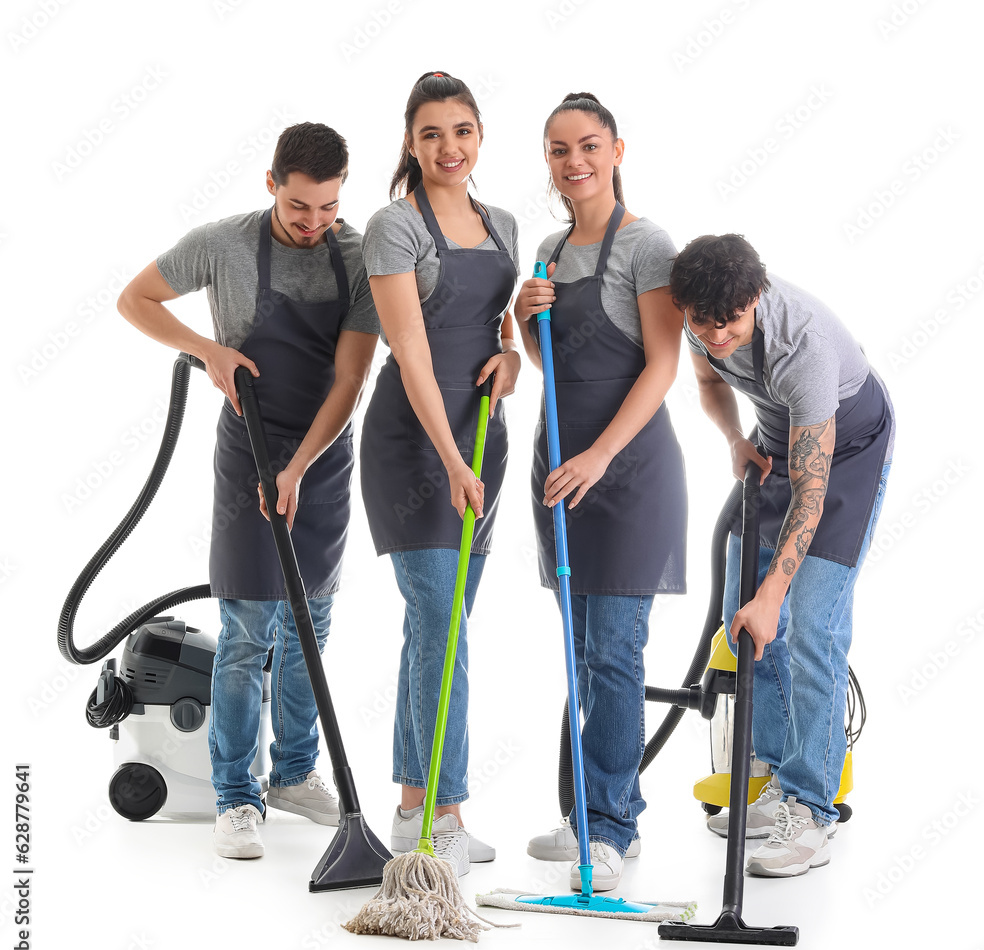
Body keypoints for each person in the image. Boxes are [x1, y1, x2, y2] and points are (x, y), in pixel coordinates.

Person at [117, 123, 380, 859]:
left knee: (311, 624)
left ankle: (294, 774)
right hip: (249, 453)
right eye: (300, 207)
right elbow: (135, 299)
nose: (314, 223)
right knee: (246, 630)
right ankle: (238, 796)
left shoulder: (357, 256)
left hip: (324, 456)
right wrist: (206, 351)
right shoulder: (224, 244)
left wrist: (300, 468)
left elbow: (353, 379)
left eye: (328, 207)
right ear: (271, 184)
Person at [670, 233, 894, 877]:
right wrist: (735, 437)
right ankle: (774, 781)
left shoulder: (805, 348)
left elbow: (812, 494)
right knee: (746, 623)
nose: (715, 336)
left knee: (810, 626)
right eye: (701, 323)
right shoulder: (705, 321)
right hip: (775, 439)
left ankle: (813, 808)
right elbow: (709, 381)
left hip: (844, 453)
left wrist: (775, 595)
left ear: (757, 299)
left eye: (730, 322)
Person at [515, 93, 687, 893]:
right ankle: (588, 814)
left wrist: (599, 457)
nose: (572, 161)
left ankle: (614, 828)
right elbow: (559, 370)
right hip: (562, 474)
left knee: (616, 655)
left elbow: (661, 365)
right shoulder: (548, 250)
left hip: (627, 477)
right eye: (557, 149)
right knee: (583, 660)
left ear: (618, 148)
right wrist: (524, 320)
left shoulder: (648, 245)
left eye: (587, 145)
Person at [359, 71, 520, 878]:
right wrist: (452, 460)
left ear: (480, 136)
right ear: (411, 145)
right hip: (416, 450)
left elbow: (497, 329)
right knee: (442, 627)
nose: (447, 147)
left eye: (461, 131)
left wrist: (511, 357)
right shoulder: (393, 227)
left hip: (483, 440)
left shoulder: (504, 224)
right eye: (431, 135)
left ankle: (412, 806)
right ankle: (446, 817)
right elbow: (411, 349)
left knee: (434, 633)